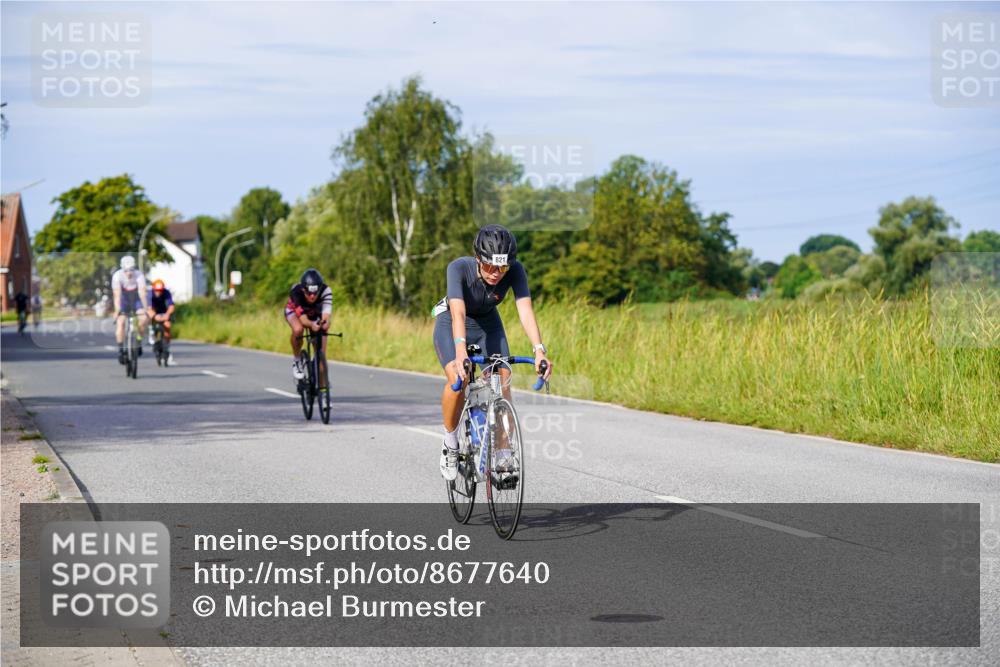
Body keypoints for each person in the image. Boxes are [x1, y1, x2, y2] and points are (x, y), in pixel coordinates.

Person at [434, 224, 552, 481]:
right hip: (453, 321)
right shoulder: (458, 268)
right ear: (478, 259)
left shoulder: (515, 270)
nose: (497, 273)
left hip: (488, 324)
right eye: (490, 267)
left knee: (503, 382)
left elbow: (525, 310)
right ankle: (451, 443)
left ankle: (502, 455)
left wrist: (539, 350)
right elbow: (458, 313)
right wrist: (461, 350)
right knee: (457, 376)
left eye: (503, 268)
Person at [284, 268, 332, 381]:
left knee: (321, 353)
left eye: (315, 293)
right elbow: (304, 319)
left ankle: (322, 390)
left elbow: (326, 316)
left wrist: (324, 323)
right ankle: (297, 360)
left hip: (315, 314)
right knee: (298, 330)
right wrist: (312, 325)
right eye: (309, 293)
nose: (312, 296)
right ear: (303, 289)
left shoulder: (326, 290)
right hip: (295, 313)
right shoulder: (296, 291)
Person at [111, 255, 149, 363]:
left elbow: (142, 294)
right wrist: (117, 310)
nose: (129, 273)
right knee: (121, 322)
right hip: (124, 300)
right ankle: (120, 349)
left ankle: (138, 342)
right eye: (126, 270)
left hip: (136, 299)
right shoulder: (117, 276)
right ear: (122, 269)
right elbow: (117, 296)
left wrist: (146, 310)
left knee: (143, 320)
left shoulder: (139, 275)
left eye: (131, 270)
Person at [146, 279, 175, 365]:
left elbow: (171, 306)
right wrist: (154, 316)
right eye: (157, 291)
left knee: (167, 325)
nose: (158, 292)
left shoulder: (166, 293)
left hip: (164, 313)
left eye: (160, 291)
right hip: (154, 313)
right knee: (150, 322)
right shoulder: (150, 294)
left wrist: (167, 314)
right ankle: (152, 336)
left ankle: (166, 345)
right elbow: (148, 308)